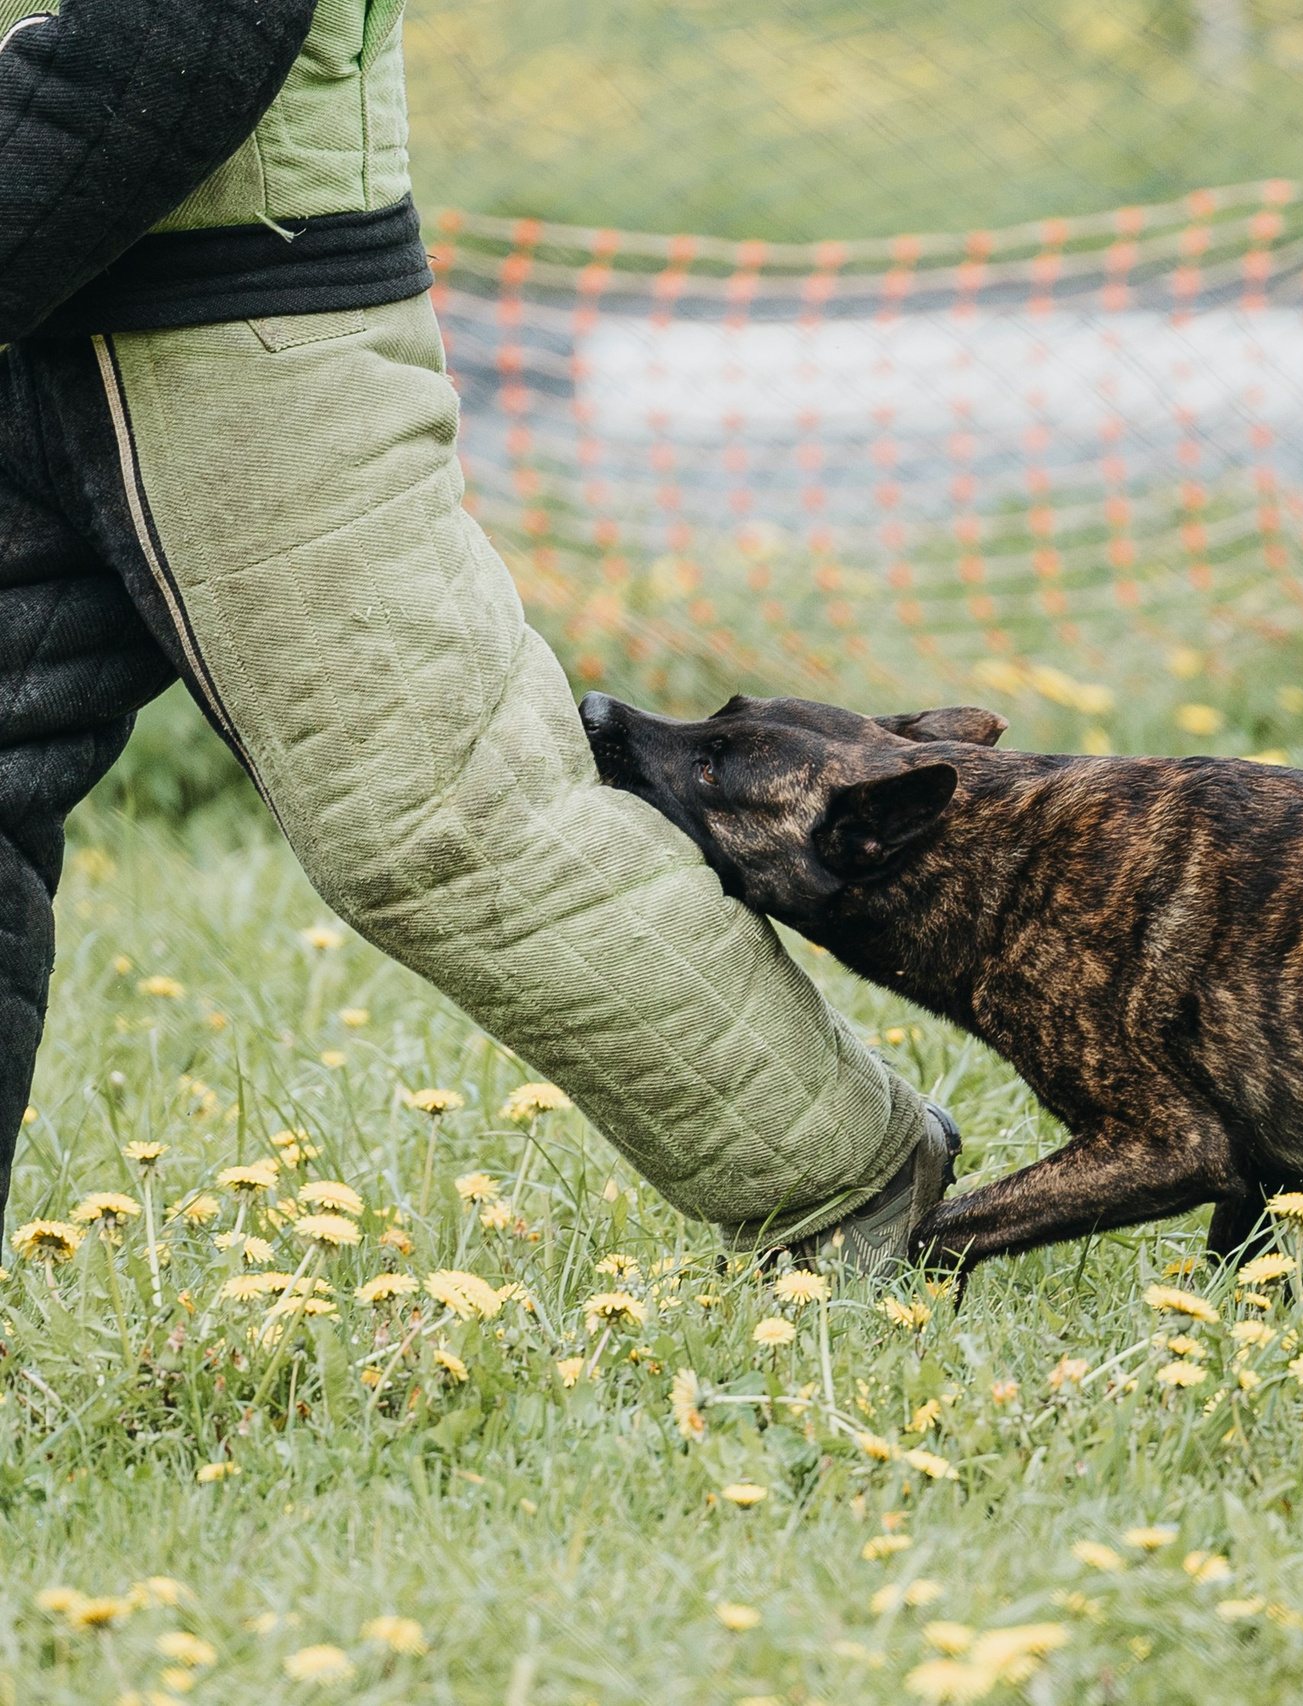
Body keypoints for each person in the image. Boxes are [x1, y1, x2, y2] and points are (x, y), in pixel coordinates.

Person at [0, 0, 953, 1269]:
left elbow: (175, 48)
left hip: (245, 342)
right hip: (46, 315)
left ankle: (850, 1182)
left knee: (458, 816)